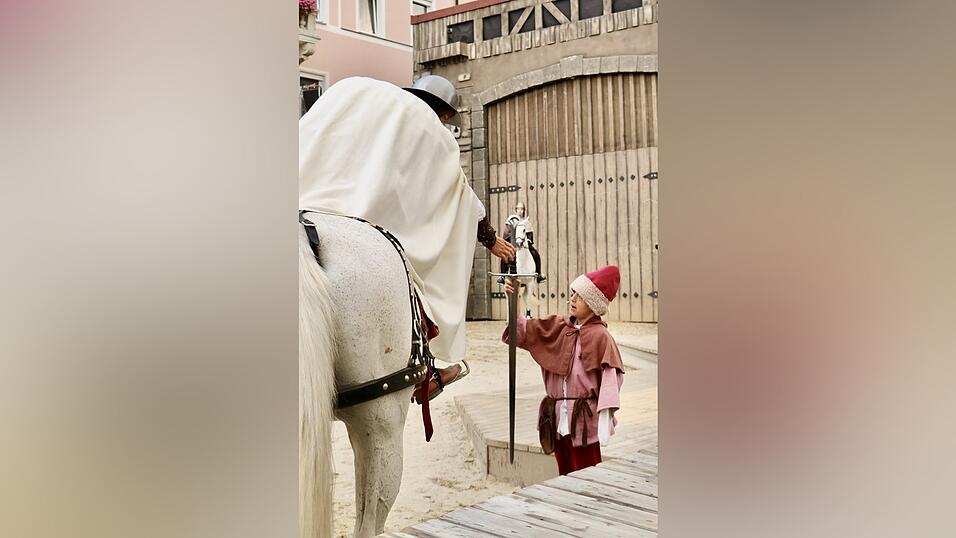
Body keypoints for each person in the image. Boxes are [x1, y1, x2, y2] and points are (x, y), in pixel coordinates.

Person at [299, 76, 514, 404]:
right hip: (364, 218)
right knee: (416, 273)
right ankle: (430, 365)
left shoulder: (356, 92)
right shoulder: (430, 129)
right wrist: (491, 239)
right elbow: (461, 197)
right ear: (444, 113)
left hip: (305, 203)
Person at [502, 265, 625, 475]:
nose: (573, 299)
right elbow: (520, 331)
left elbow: (611, 381)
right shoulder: (558, 326)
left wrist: (605, 418)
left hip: (584, 422)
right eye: (573, 294)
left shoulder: (601, 336)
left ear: (594, 304)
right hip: (557, 418)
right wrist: (513, 300)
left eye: (580, 296)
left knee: (588, 477)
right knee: (564, 475)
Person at [499, 201, 545, 283]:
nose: (520, 211)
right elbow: (506, 234)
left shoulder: (526, 222)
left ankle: (539, 274)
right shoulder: (511, 221)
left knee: (536, 254)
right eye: (518, 209)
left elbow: (530, 234)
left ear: (524, 211)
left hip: (524, 244)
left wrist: (528, 240)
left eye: (522, 209)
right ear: (516, 210)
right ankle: (502, 276)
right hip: (513, 244)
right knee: (505, 257)